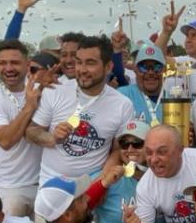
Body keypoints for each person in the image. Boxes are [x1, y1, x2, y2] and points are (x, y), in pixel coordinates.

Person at [26, 35, 133, 185]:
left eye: (90, 63)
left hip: (92, 182)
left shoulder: (122, 104)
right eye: (79, 62)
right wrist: (52, 138)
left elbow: (116, 151)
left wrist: (100, 185)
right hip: (53, 182)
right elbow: (31, 132)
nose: (82, 69)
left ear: (108, 67)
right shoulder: (54, 91)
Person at [86, 120, 163, 223]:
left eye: (137, 143)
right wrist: (105, 183)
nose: (130, 149)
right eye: (124, 143)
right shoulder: (105, 178)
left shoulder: (162, 178)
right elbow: (80, 208)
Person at [0, 39, 45, 217]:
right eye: (2, 63)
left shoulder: (44, 90)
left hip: (45, 182)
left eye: (15, 62)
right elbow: (5, 140)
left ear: (27, 64)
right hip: (10, 189)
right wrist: (29, 106)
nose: (8, 68)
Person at [118, 44, 167, 125]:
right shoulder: (122, 95)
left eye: (157, 67)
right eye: (143, 67)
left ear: (164, 70)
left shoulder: (174, 99)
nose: (150, 72)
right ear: (135, 69)